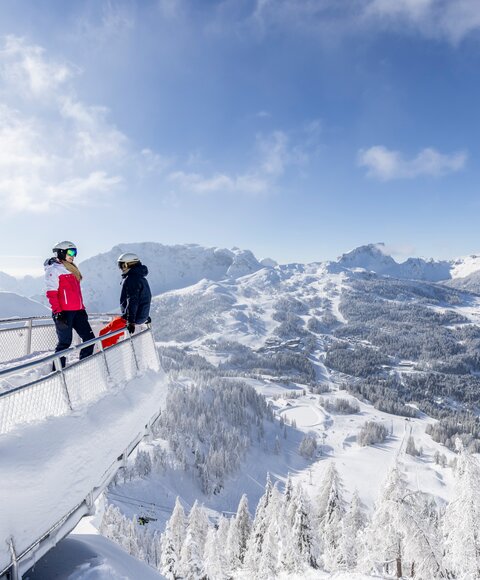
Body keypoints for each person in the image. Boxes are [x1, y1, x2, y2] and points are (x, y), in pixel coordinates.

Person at [44, 241, 95, 368]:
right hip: (64, 313)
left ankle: (83, 366)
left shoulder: (71, 269)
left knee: (90, 339)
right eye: (71, 252)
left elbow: (76, 293)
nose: (74, 255)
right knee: (64, 344)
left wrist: (81, 308)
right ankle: (57, 372)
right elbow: (52, 294)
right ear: (61, 252)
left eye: (75, 252)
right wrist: (58, 312)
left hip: (78, 312)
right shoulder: (54, 270)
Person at [117, 252, 152, 334]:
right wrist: (145, 316)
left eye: (121, 266)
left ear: (127, 265)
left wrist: (130, 321)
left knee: (103, 333)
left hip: (132, 318)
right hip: (139, 317)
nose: (121, 269)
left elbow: (133, 300)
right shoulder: (140, 277)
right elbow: (144, 298)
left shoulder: (132, 279)